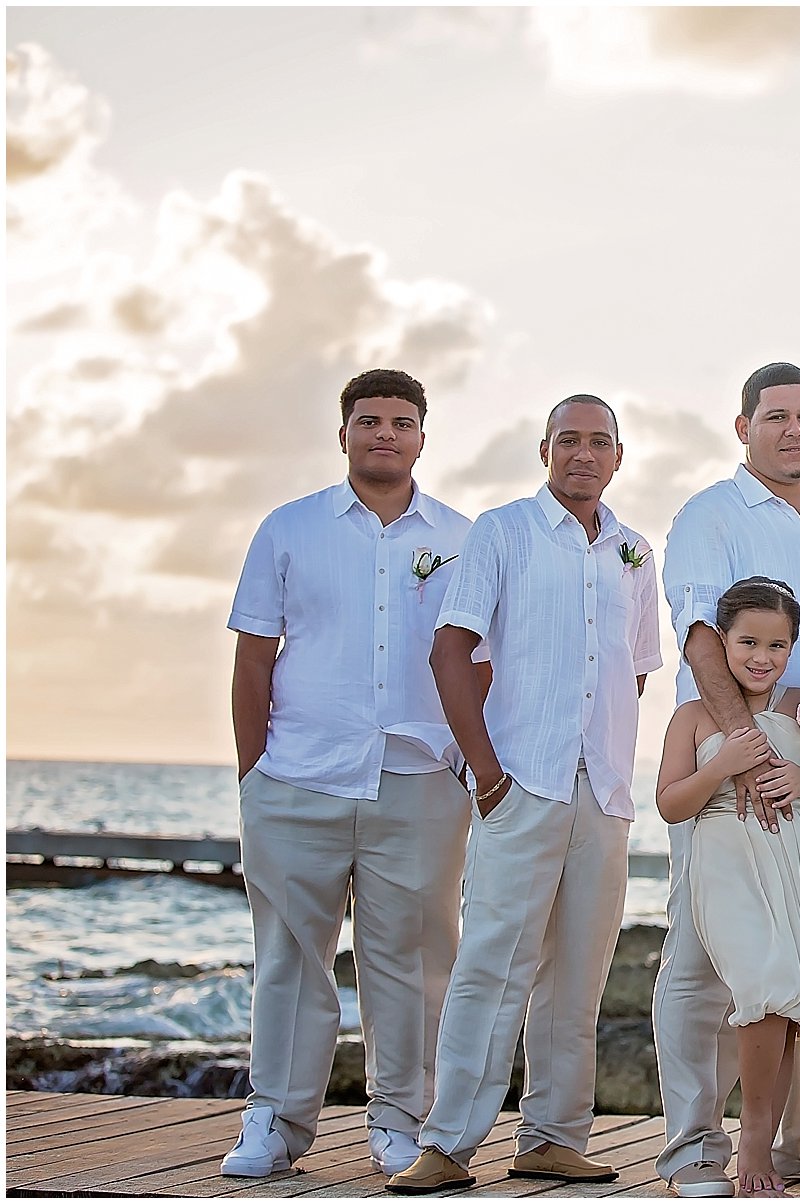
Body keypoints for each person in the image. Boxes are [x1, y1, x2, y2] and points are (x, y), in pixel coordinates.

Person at [385, 395, 662, 1194]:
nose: (584, 453)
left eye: (598, 442)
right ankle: (446, 1144)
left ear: (618, 455)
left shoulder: (636, 552)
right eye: (568, 440)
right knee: (490, 967)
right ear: (544, 449)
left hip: (603, 791)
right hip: (522, 785)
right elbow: (449, 652)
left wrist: (600, 756)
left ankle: (551, 1136)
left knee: (579, 974)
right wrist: (490, 774)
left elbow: (635, 670)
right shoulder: (500, 532)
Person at [222, 368, 475, 1180]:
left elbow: (483, 663)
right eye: (369, 421)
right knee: (290, 957)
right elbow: (254, 655)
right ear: (344, 435)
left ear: (422, 439)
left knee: (412, 958)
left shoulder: (463, 538)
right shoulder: (288, 529)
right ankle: (274, 1122)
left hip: (419, 777)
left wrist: (471, 765)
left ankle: (401, 1122)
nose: (385, 435)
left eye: (402, 423)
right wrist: (253, 774)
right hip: (299, 776)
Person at [655, 363, 800, 1198]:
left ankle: (785, 1149)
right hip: (731, 775)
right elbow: (700, 633)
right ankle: (692, 1148)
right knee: (704, 967)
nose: (795, 430)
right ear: (743, 426)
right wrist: (741, 748)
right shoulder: (710, 514)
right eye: (776, 416)